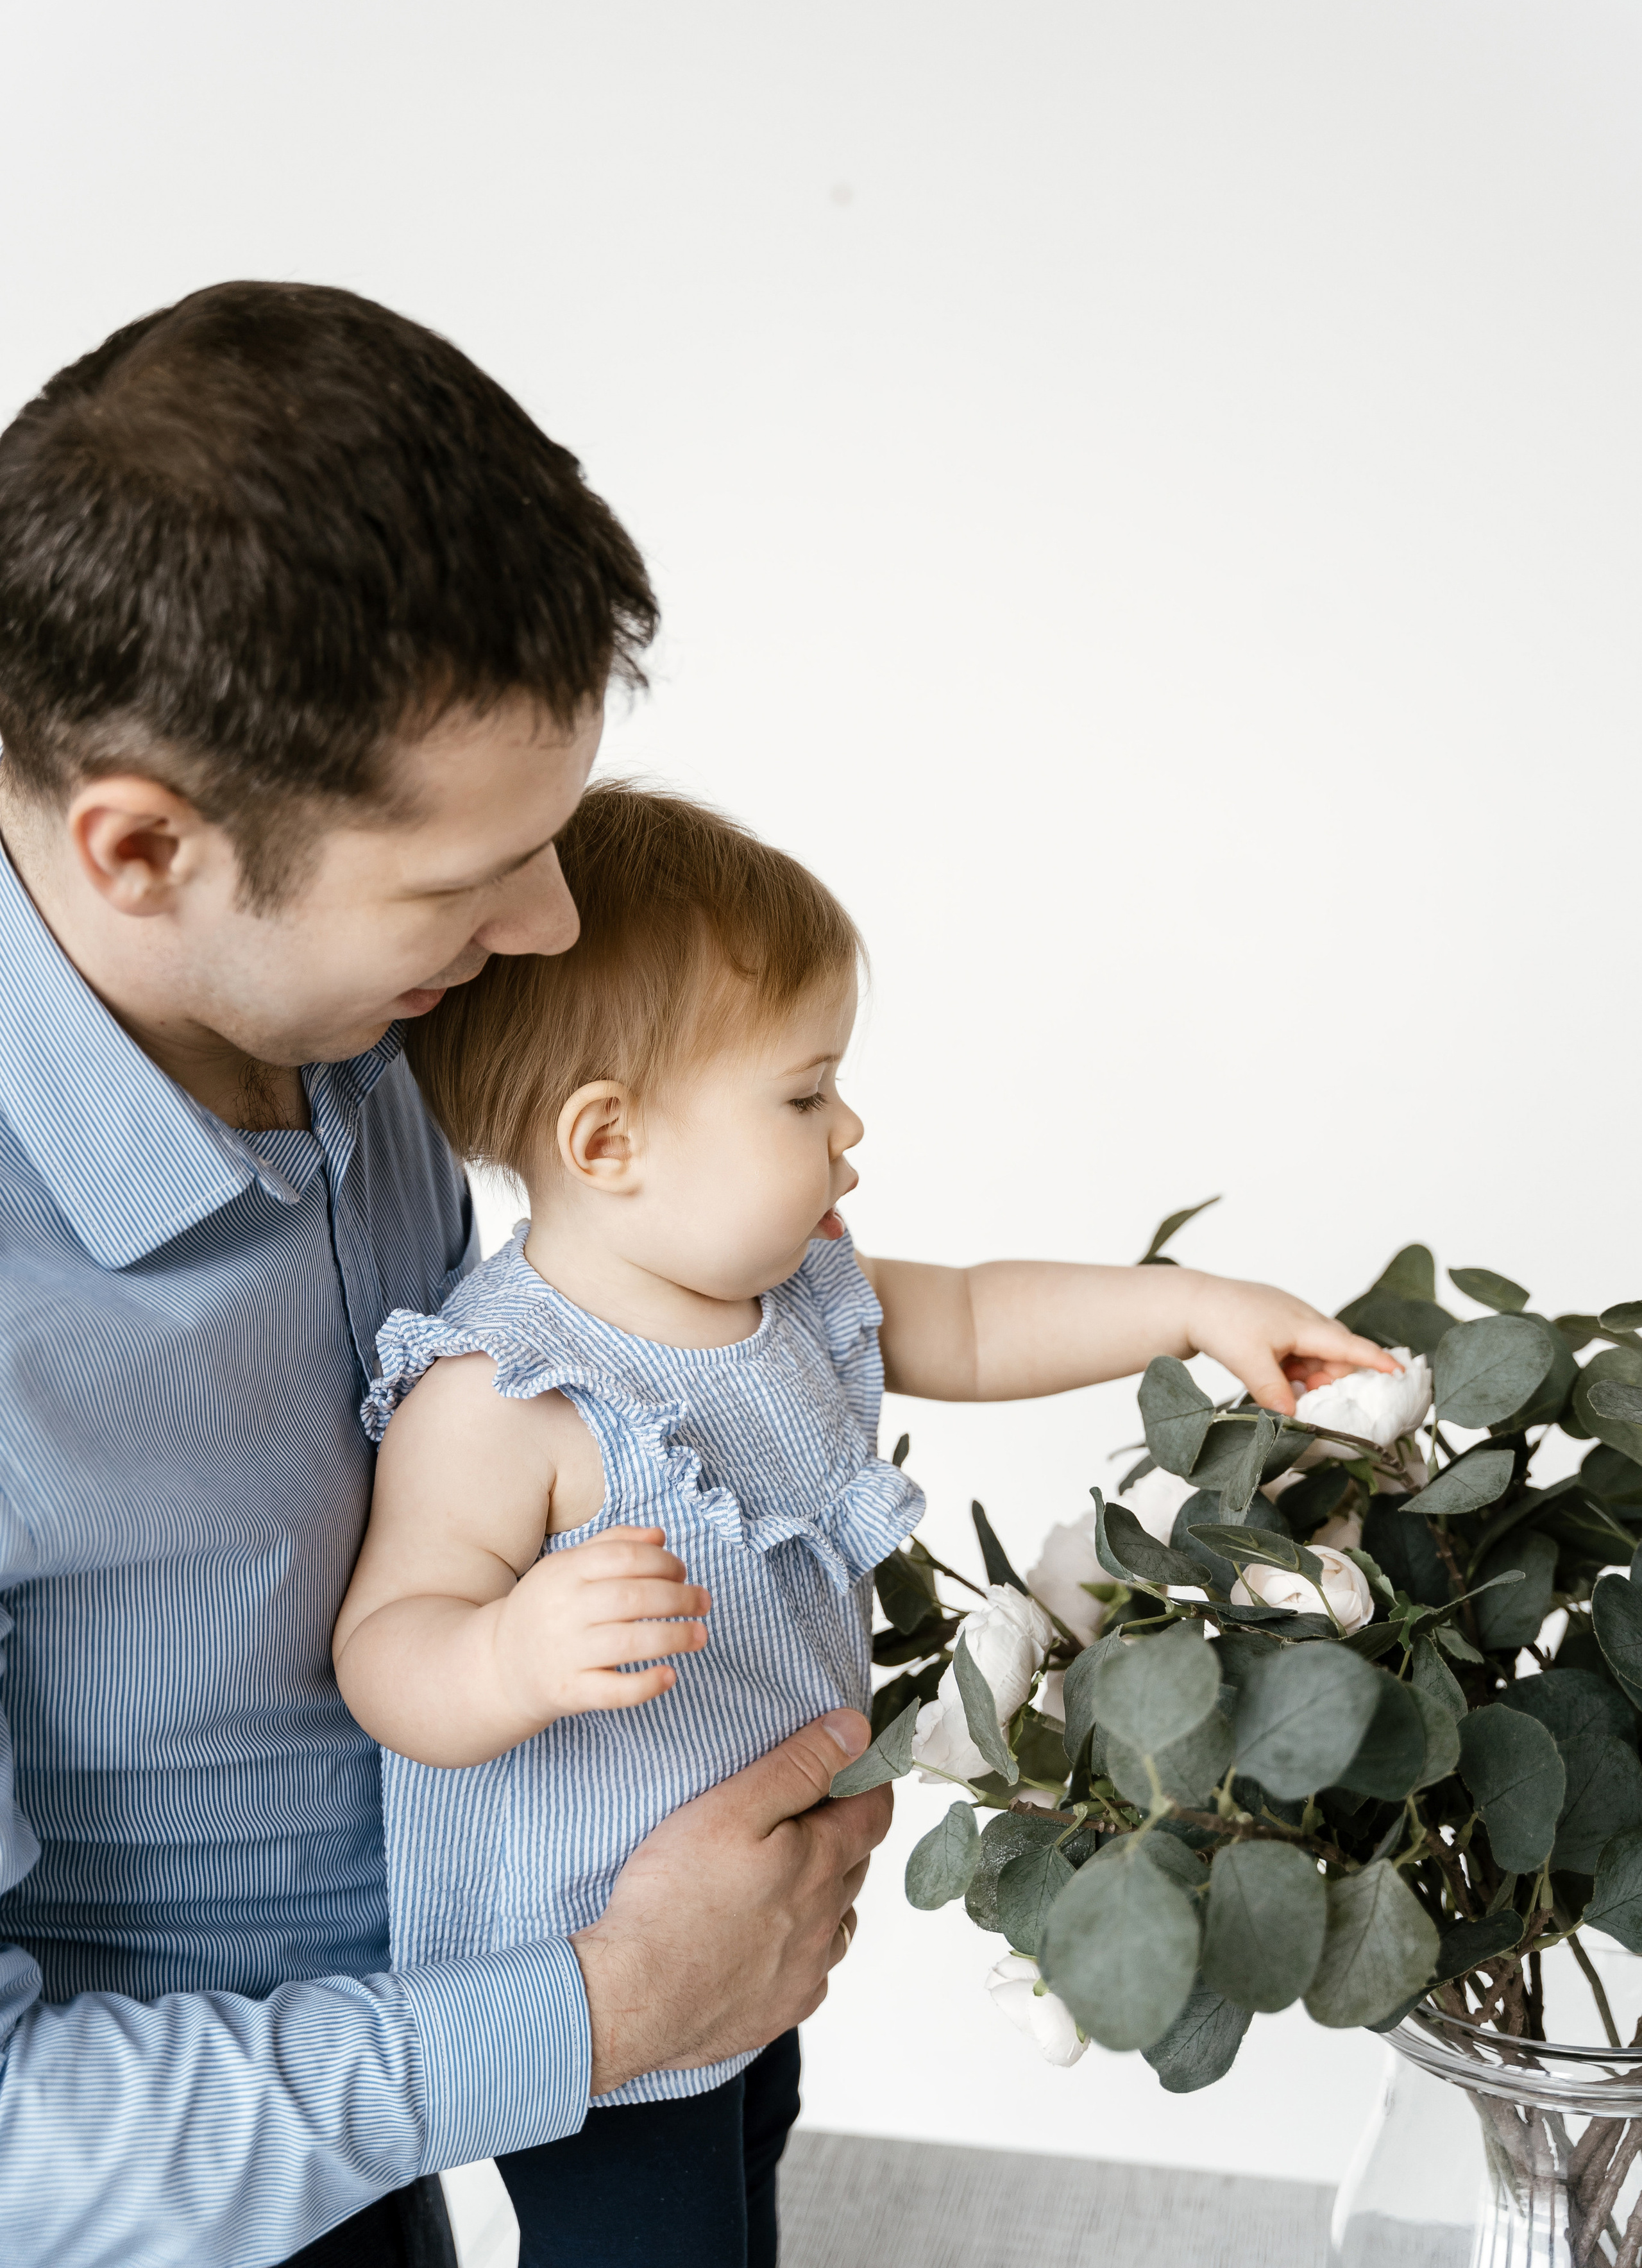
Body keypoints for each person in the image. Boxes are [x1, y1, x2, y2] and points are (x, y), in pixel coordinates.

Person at [0, 283, 888, 2268]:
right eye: (464, 879)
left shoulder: (348, 1010)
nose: (551, 924)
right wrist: (608, 2009)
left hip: (438, 2119)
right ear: (141, 852)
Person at [331, 782, 1400, 2268]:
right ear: (609, 1138)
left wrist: (1191, 1308)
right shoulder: (504, 1393)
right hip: (591, 1974)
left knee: (746, 2171)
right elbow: (387, 1653)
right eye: (801, 1095)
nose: (847, 1128)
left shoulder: (788, 1298)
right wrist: (509, 1654)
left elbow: (974, 1315)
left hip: (753, 1929)